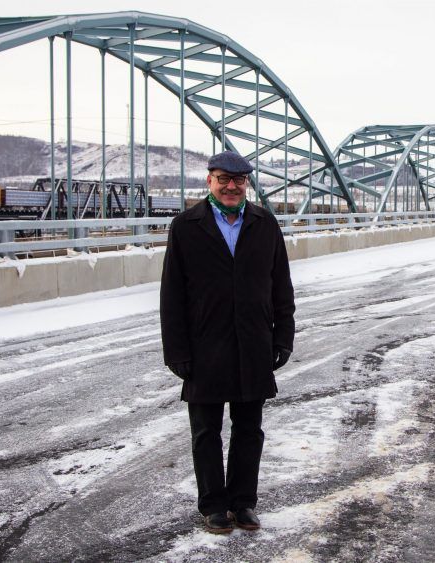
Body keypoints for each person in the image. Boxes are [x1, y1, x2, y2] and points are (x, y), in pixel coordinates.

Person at [160, 150, 295, 534]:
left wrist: (282, 337)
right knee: (206, 432)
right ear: (210, 181)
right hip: (204, 346)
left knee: (249, 430)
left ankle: (243, 502)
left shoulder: (265, 224)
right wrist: (176, 351)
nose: (231, 187)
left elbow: (281, 287)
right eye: (223, 179)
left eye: (238, 180)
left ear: (246, 183)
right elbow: (172, 294)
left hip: (253, 343)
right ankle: (214, 505)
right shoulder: (186, 226)